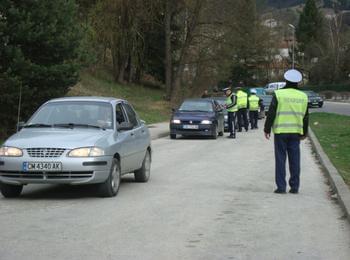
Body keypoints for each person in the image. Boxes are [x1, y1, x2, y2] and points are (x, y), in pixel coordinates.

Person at [264, 69, 309, 194]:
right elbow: (306, 116)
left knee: (280, 159)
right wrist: (304, 132)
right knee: (295, 159)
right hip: (296, 132)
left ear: (286, 80)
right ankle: (294, 187)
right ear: (298, 82)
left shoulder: (278, 94)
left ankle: (281, 187)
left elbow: (271, 113)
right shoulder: (303, 96)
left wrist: (267, 129)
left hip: (281, 131)